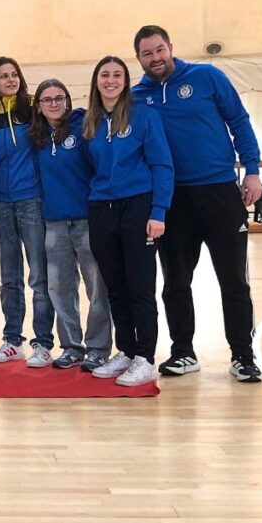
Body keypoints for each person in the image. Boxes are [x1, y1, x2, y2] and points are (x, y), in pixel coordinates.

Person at [132, 25, 262, 383]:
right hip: (172, 199)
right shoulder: (136, 96)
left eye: (160, 50)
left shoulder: (207, 76)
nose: (155, 58)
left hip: (219, 192)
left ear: (170, 47)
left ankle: (243, 356)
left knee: (233, 280)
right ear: (138, 58)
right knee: (175, 282)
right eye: (147, 53)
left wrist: (252, 171)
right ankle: (183, 352)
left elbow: (239, 121)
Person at [83, 56, 174, 387]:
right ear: (96, 81)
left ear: (125, 81)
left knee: (140, 285)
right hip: (101, 208)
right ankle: (126, 349)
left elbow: (162, 164)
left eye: (117, 75)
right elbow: (87, 167)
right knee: (115, 286)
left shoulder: (144, 115)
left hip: (137, 205)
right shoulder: (89, 122)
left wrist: (158, 211)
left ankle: (145, 357)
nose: (110, 80)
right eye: (104, 75)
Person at [0, 57, 56, 367]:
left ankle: (43, 343)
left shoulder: (33, 109)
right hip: (0, 204)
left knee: (39, 276)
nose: (11, 80)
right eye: (3, 76)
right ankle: (12, 341)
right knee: (9, 278)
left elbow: (62, 119)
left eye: (14, 75)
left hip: (31, 201)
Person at [30, 79, 113, 371]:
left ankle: (98, 349)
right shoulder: (36, 138)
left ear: (67, 100)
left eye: (59, 98)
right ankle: (71, 347)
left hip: (86, 220)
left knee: (97, 288)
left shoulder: (84, 127)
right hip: (54, 223)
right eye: (47, 99)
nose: (54, 104)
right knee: (60, 288)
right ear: (38, 107)